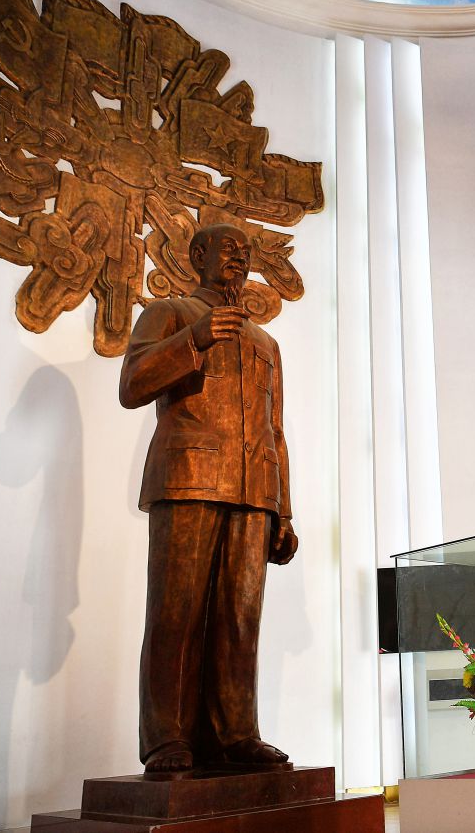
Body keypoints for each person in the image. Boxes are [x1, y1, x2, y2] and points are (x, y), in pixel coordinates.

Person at [119, 223, 298, 775]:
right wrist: (194, 337)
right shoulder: (169, 313)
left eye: (246, 253)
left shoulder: (266, 343)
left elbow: (277, 429)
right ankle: (166, 739)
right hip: (189, 477)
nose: (239, 259)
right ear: (197, 256)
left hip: (252, 490)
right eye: (228, 249)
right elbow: (132, 385)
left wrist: (283, 509)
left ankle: (236, 734)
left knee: (240, 618)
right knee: (176, 613)